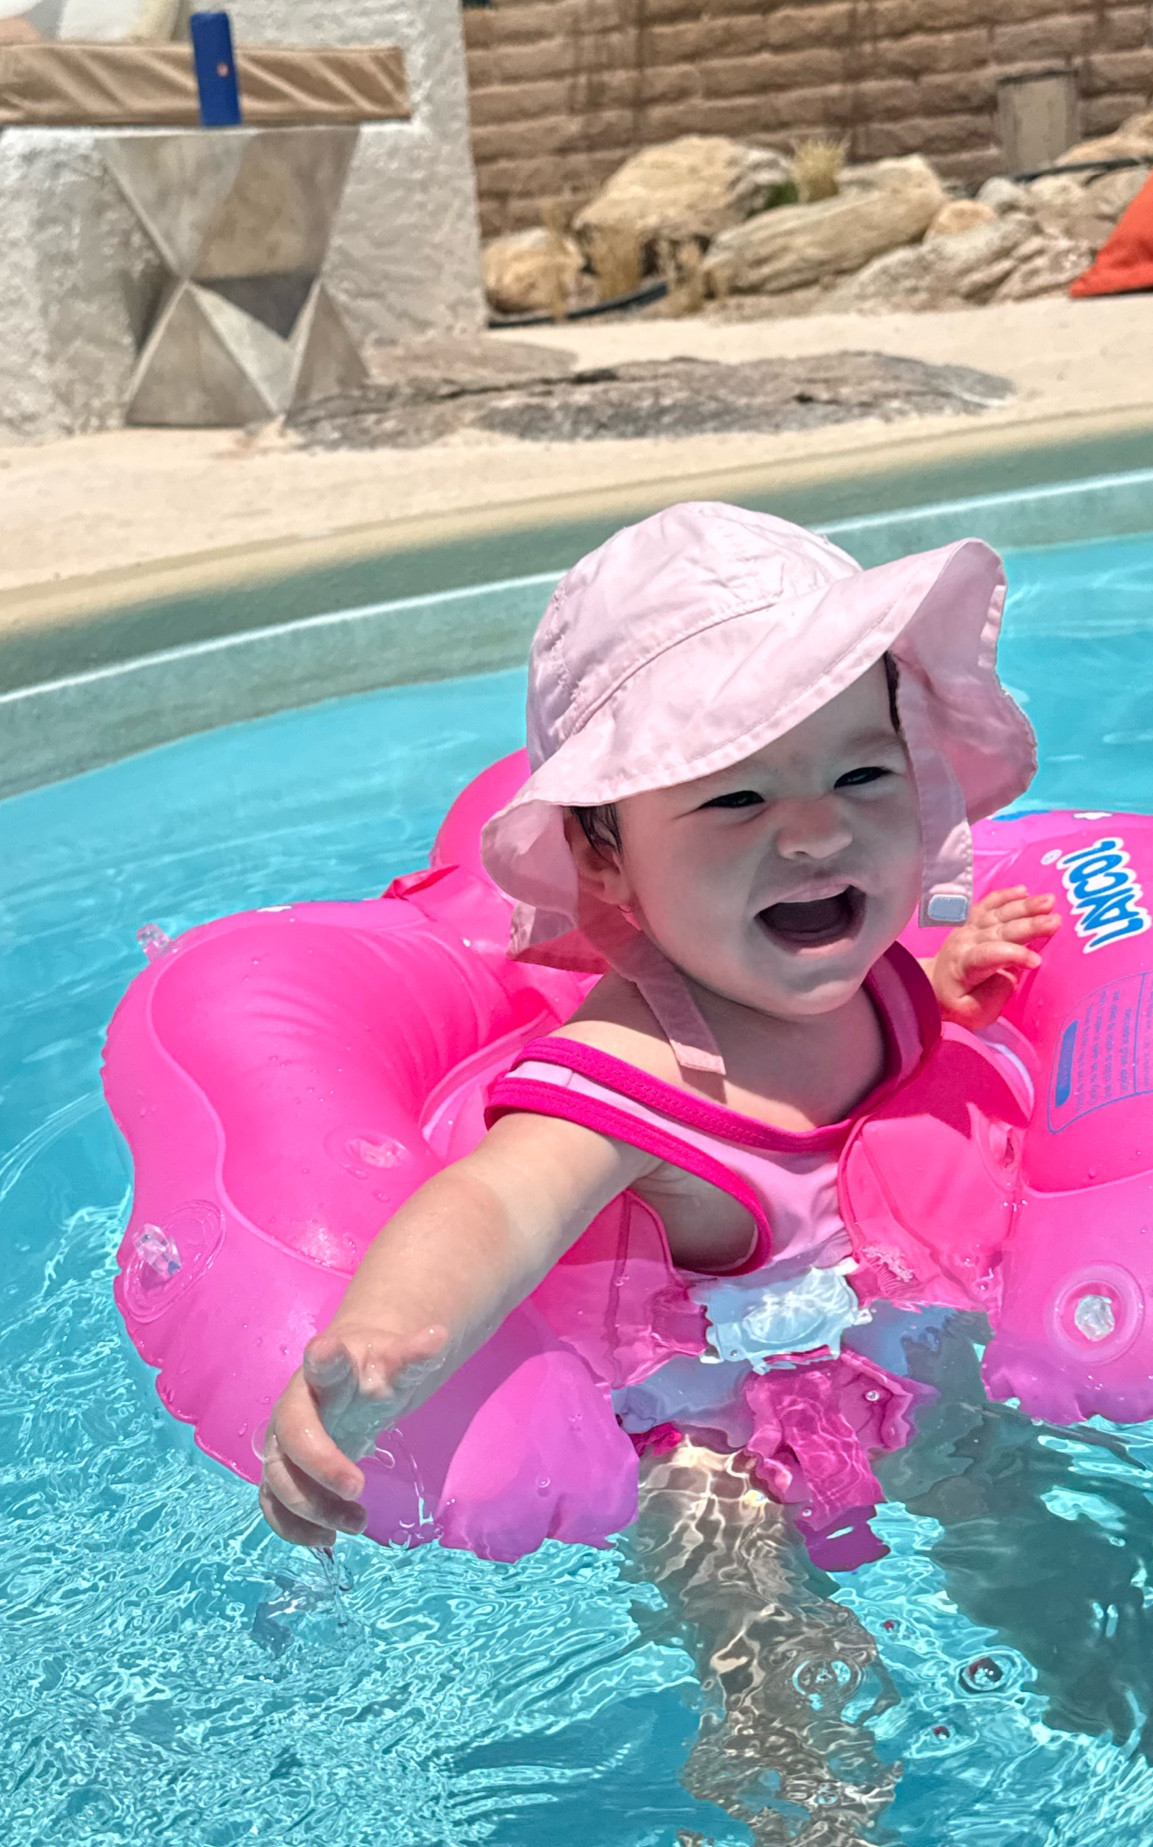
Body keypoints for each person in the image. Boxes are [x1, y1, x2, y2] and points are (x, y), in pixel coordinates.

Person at [257, 499, 1057, 1552]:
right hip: (709, 1434)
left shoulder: (866, 971)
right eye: (735, 798)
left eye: (862, 773)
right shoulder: (629, 1070)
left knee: (1044, 1558)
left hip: (889, 1349)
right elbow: (495, 1202)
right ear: (605, 858)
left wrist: (942, 992)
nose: (818, 829)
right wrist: (381, 1338)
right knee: (774, 1673)